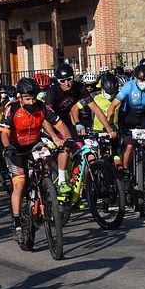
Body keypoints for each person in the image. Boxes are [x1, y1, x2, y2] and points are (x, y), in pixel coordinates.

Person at [0, 78, 71, 245]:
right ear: (20, 97)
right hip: (16, 148)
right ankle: (17, 224)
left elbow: (60, 124)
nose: (31, 102)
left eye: (33, 98)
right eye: (27, 99)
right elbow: (4, 133)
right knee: (19, 184)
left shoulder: (42, 107)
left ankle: (45, 186)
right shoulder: (11, 109)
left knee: (47, 154)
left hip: (34, 144)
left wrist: (68, 139)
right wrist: (7, 146)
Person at [44, 63, 116, 197]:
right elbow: (45, 118)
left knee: (84, 151)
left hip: (69, 122)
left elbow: (95, 109)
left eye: (69, 79)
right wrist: (54, 136)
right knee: (66, 146)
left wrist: (108, 128)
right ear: (58, 81)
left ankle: (78, 186)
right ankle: (61, 180)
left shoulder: (79, 87)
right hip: (53, 123)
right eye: (62, 81)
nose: (67, 83)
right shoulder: (52, 92)